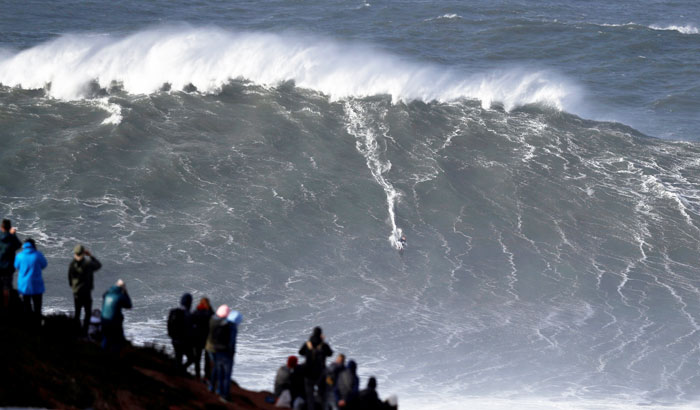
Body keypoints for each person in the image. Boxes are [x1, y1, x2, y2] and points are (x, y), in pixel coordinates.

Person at [205, 304, 238, 401]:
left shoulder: (213, 321)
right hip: (220, 351)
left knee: (216, 368)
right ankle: (221, 393)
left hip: (211, 348)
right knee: (224, 373)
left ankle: (212, 387)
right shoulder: (226, 325)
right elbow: (230, 342)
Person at [68, 244, 102, 334]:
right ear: (83, 253)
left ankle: (76, 332)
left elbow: (70, 279)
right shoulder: (88, 264)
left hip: (77, 293)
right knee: (87, 313)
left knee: (77, 313)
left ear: (75, 254)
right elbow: (98, 265)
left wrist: (74, 288)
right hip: (86, 292)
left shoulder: (72, 264)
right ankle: (84, 333)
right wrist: (90, 256)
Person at [298, 326, 333, 410]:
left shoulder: (308, 344)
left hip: (308, 374)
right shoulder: (323, 345)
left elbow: (300, 352)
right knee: (322, 395)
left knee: (310, 397)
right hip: (321, 373)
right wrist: (322, 342)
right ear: (320, 334)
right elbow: (330, 354)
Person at [14, 238, 47, 321]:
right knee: (37, 308)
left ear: (24, 246)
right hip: (37, 286)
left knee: (27, 307)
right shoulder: (38, 255)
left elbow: (16, 266)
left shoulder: (19, 256)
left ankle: (28, 327)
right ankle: (37, 326)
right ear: (34, 245)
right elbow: (44, 265)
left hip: (24, 286)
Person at [101, 279, 132, 352]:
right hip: (114, 322)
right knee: (118, 341)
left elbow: (104, 295)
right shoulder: (120, 296)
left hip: (104, 320)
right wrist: (125, 292)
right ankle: (115, 357)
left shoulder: (107, 294)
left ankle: (102, 354)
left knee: (106, 338)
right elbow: (129, 305)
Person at [168, 292, 195, 374]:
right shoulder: (189, 314)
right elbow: (190, 330)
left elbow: (169, 325)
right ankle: (181, 372)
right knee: (191, 358)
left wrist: (172, 336)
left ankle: (176, 373)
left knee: (178, 359)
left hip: (175, 340)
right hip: (184, 342)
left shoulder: (174, 312)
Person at [0, 219, 21, 313]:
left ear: (1, 227)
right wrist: (13, 234)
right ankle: (5, 308)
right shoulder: (12, 238)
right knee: (7, 288)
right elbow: (19, 245)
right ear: (9, 228)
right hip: (8, 268)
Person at [191, 297, 214, 381]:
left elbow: (191, 325)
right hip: (208, 339)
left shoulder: (196, 312)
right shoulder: (211, 313)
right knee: (207, 359)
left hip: (197, 339)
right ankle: (206, 377)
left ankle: (197, 376)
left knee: (197, 358)